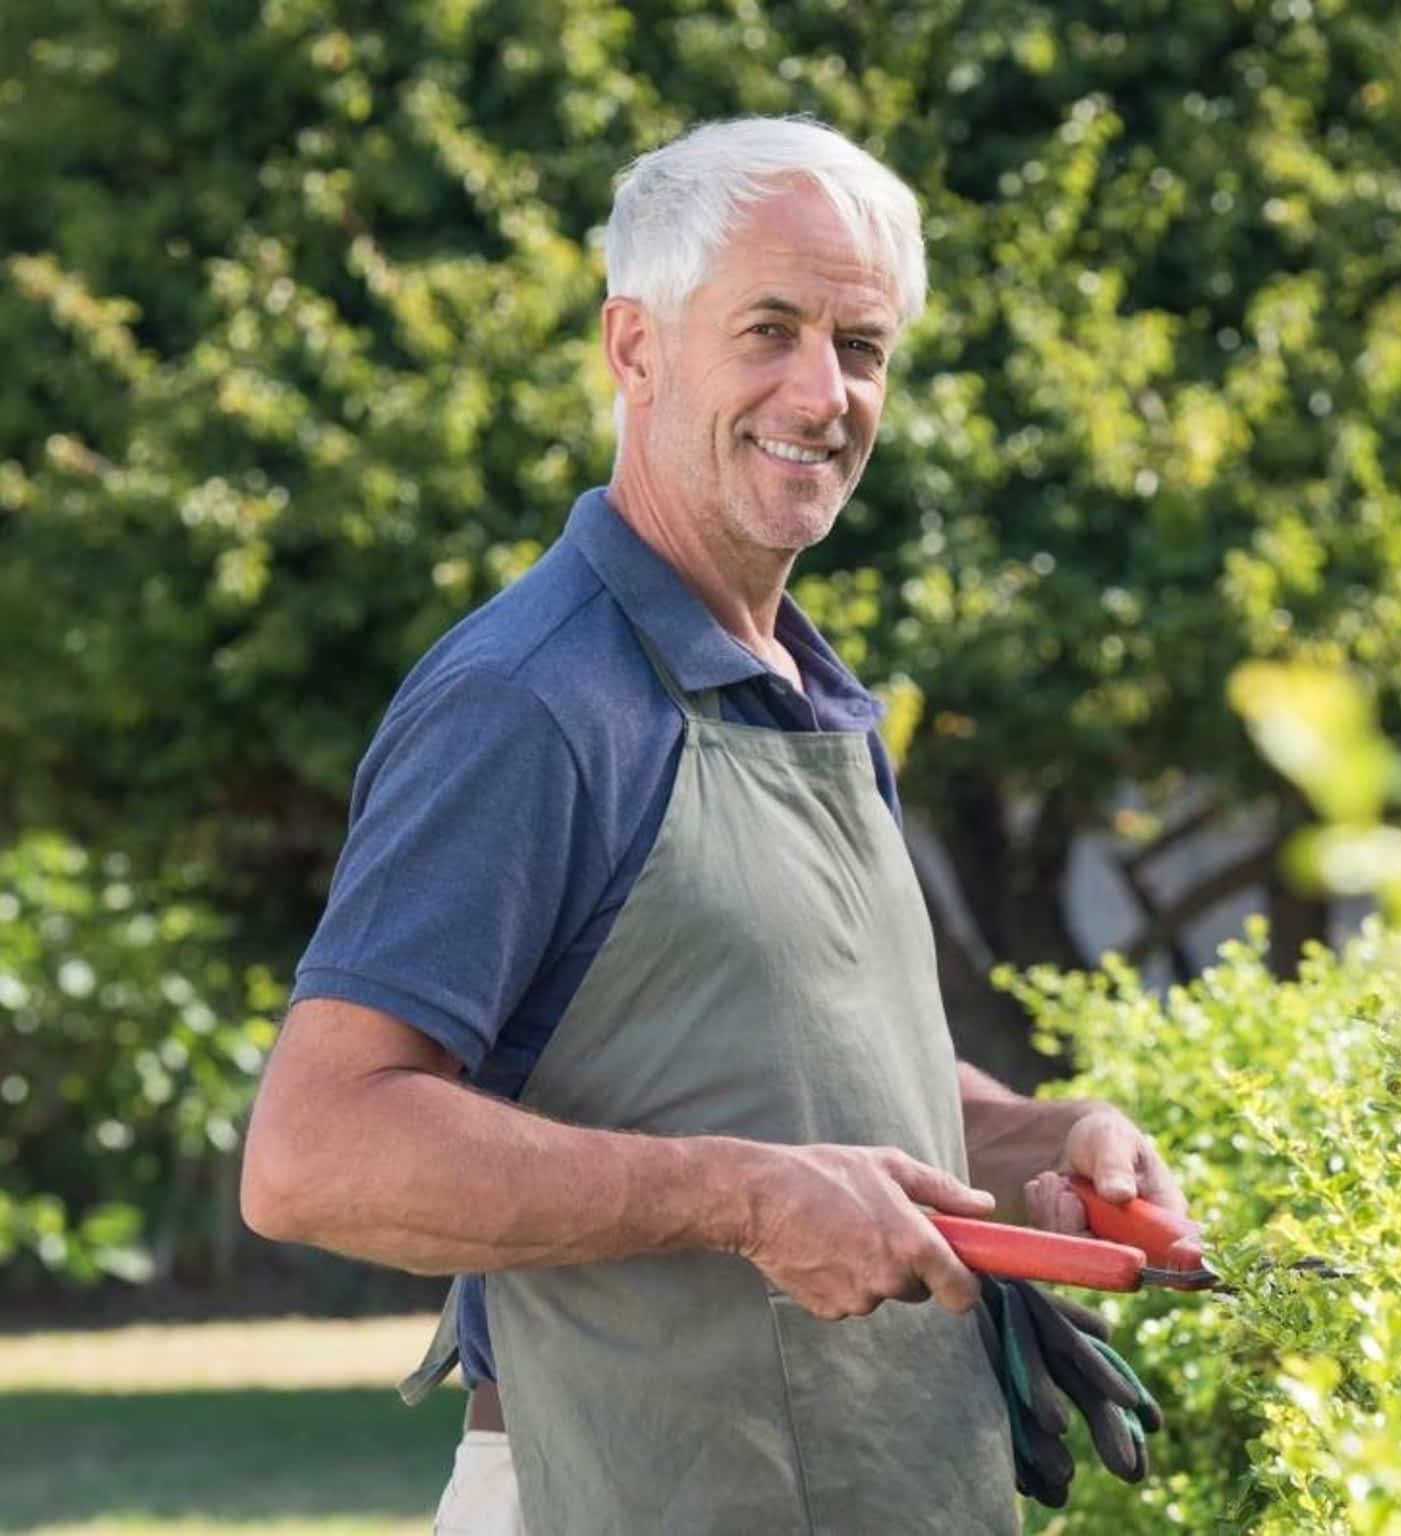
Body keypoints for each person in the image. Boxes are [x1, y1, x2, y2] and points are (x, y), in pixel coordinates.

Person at [238, 116, 1186, 1534]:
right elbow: (315, 1154)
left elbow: (813, 1083)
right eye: (770, 331)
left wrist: (1052, 1137)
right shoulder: (531, 700)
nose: (823, 393)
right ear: (635, 350)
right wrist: (746, 1201)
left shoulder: (804, 692)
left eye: (860, 347)